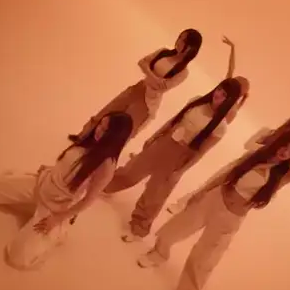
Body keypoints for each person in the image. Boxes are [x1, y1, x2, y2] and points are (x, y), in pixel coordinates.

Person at [136, 118, 290, 290]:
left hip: (231, 218)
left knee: (205, 257)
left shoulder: (283, 176)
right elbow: (227, 175)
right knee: (177, 227)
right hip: (215, 199)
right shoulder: (256, 155)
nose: (285, 153)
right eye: (285, 146)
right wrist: (202, 192)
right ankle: (158, 254)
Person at [0, 112, 134, 270]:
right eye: (100, 124)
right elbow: (67, 165)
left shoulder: (107, 166)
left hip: (57, 207)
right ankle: (31, 200)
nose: (98, 130)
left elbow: (88, 200)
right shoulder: (88, 141)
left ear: (114, 138)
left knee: (18, 258)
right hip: (42, 183)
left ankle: (60, 231)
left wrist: (57, 218)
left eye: (105, 130)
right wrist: (50, 170)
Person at [103, 77, 245, 243]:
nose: (218, 94)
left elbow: (201, 152)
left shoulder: (220, 126)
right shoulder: (197, 101)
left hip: (180, 155)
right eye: (219, 89)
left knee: (155, 193)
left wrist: (180, 171)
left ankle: (138, 227)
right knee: (132, 170)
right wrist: (155, 136)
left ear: (230, 101)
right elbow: (173, 121)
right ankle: (106, 186)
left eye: (224, 95)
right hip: (165, 141)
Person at [68, 29, 203, 144]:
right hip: (138, 87)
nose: (178, 41)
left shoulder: (183, 72)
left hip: (148, 101)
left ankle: (103, 153)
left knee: (126, 130)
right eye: (180, 37)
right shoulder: (163, 52)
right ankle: (84, 136)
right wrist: (155, 77)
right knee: (109, 110)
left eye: (183, 40)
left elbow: (162, 86)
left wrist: (149, 72)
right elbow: (142, 62)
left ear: (191, 47)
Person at [165, 117, 290, 214]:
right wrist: (268, 148)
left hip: (254, 176)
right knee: (210, 185)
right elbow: (248, 145)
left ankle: (191, 210)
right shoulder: (267, 133)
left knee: (223, 194)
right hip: (242, 165)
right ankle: (182, 204)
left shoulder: (283, 155)